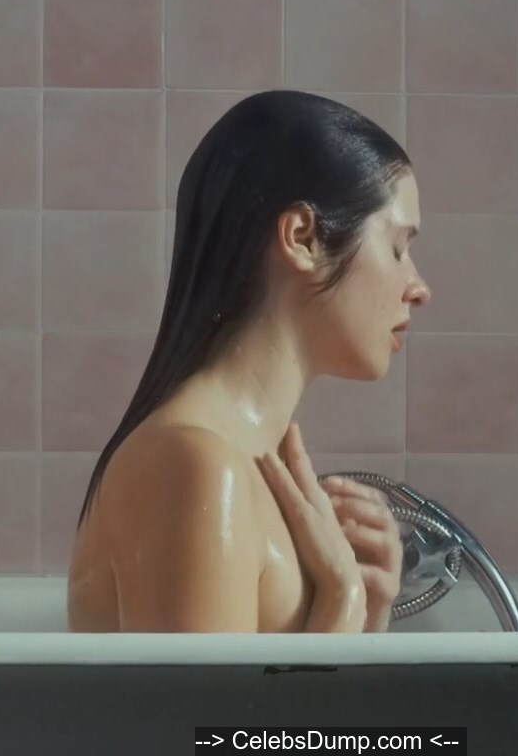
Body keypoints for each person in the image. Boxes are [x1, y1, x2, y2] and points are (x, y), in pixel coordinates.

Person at [67, 90, 429, 633]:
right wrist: (342, 605)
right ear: (302, 238)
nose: (419, 288)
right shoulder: (194, 467)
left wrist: (366, 615)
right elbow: (205, 702)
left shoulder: (246, 462)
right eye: (398, 248)